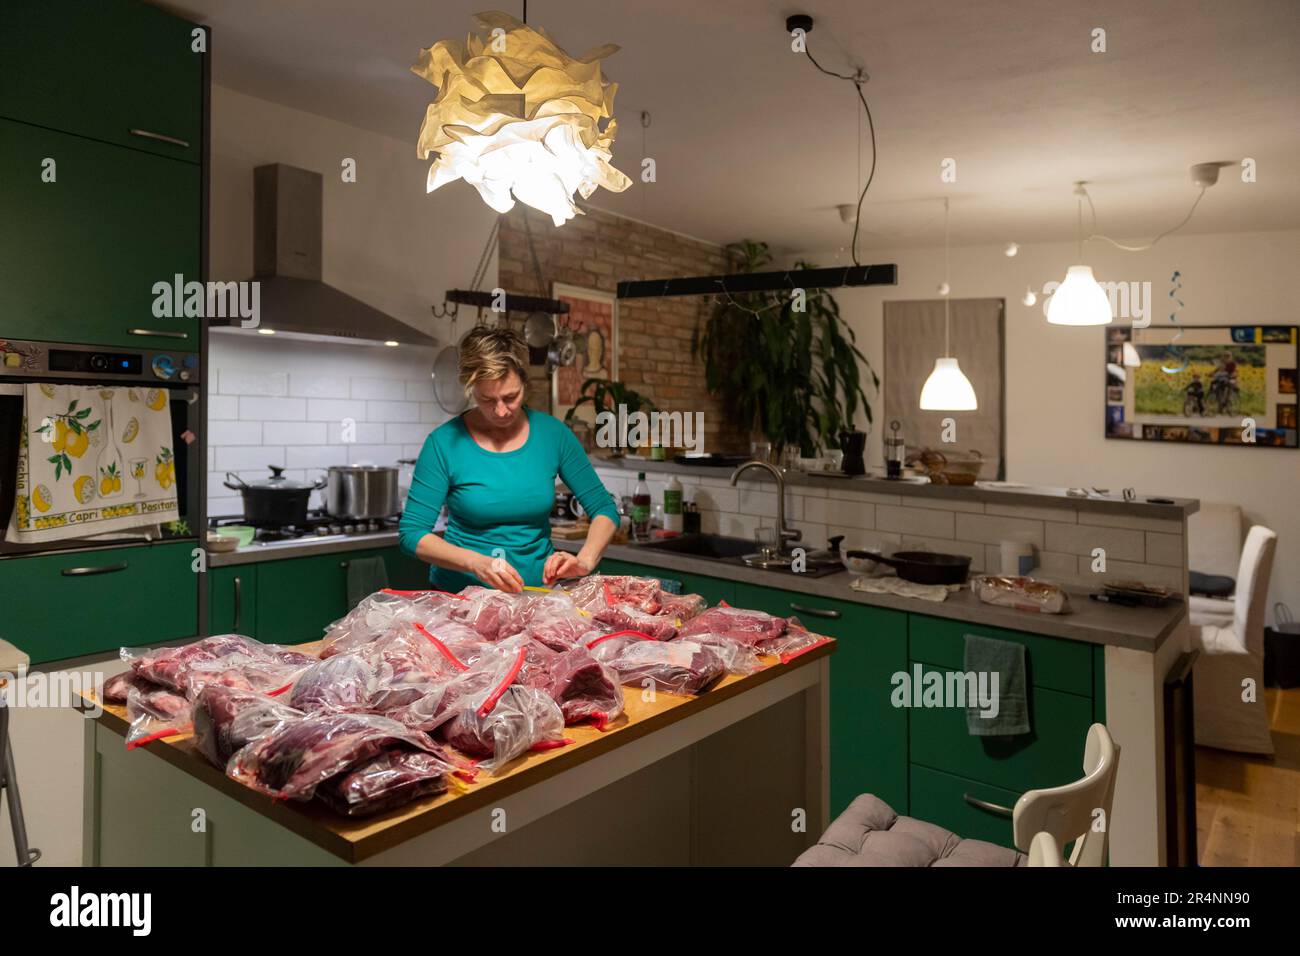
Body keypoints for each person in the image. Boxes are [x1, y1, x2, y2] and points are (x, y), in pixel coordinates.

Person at [398, 327, 620, 593]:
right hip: (459, 600)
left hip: (536, 596)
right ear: (470, 389)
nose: (501, 411)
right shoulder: (444, 443)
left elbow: (604, 509)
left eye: (511, 397)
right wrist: (476, 563)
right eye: (487, 399)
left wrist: (584, 561)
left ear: (525, 384)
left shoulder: (553, 435)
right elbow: (412, 534)